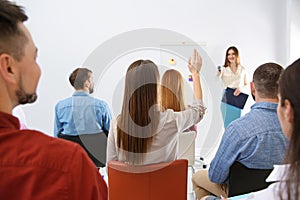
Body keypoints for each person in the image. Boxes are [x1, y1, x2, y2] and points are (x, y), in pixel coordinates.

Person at [0, 1, 107, 199]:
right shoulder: (67, 166)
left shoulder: (60, 106)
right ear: (8, 67)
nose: (38, 69)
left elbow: (57, 132)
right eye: (34, 58)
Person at [201, 58, 300, 200]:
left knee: (199, 181)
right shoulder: (293, 130)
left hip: (241, 193)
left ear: (253, 87)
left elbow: (216, 176)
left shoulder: (237, 129)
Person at [106, 49, 206, 165]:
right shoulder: (171, 120)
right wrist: (195, 73)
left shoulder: (116, 125)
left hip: (129, 183)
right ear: (155, 88)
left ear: (128, 89)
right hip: (165, 183)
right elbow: (198, 110)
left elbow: (111, 168)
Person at [54, 67, 112, 167]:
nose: (93, 83)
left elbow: (56, 136)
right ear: (86, 83)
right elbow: (112, 134)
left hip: (69, 158)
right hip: (96, 158)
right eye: (92, 80)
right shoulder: (101, 106)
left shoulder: (60, 106)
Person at [218, 46, 248, 128]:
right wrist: (218, 73)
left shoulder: (242, 69)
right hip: (227, 97)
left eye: (233, 54)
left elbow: (246, 84)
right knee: (226, 125)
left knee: (237, 124)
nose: (230, 56)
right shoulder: (223, 69)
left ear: (237, 55)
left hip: (237, 96)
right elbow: (215, 81)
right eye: (228, 54)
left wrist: (241, 88)